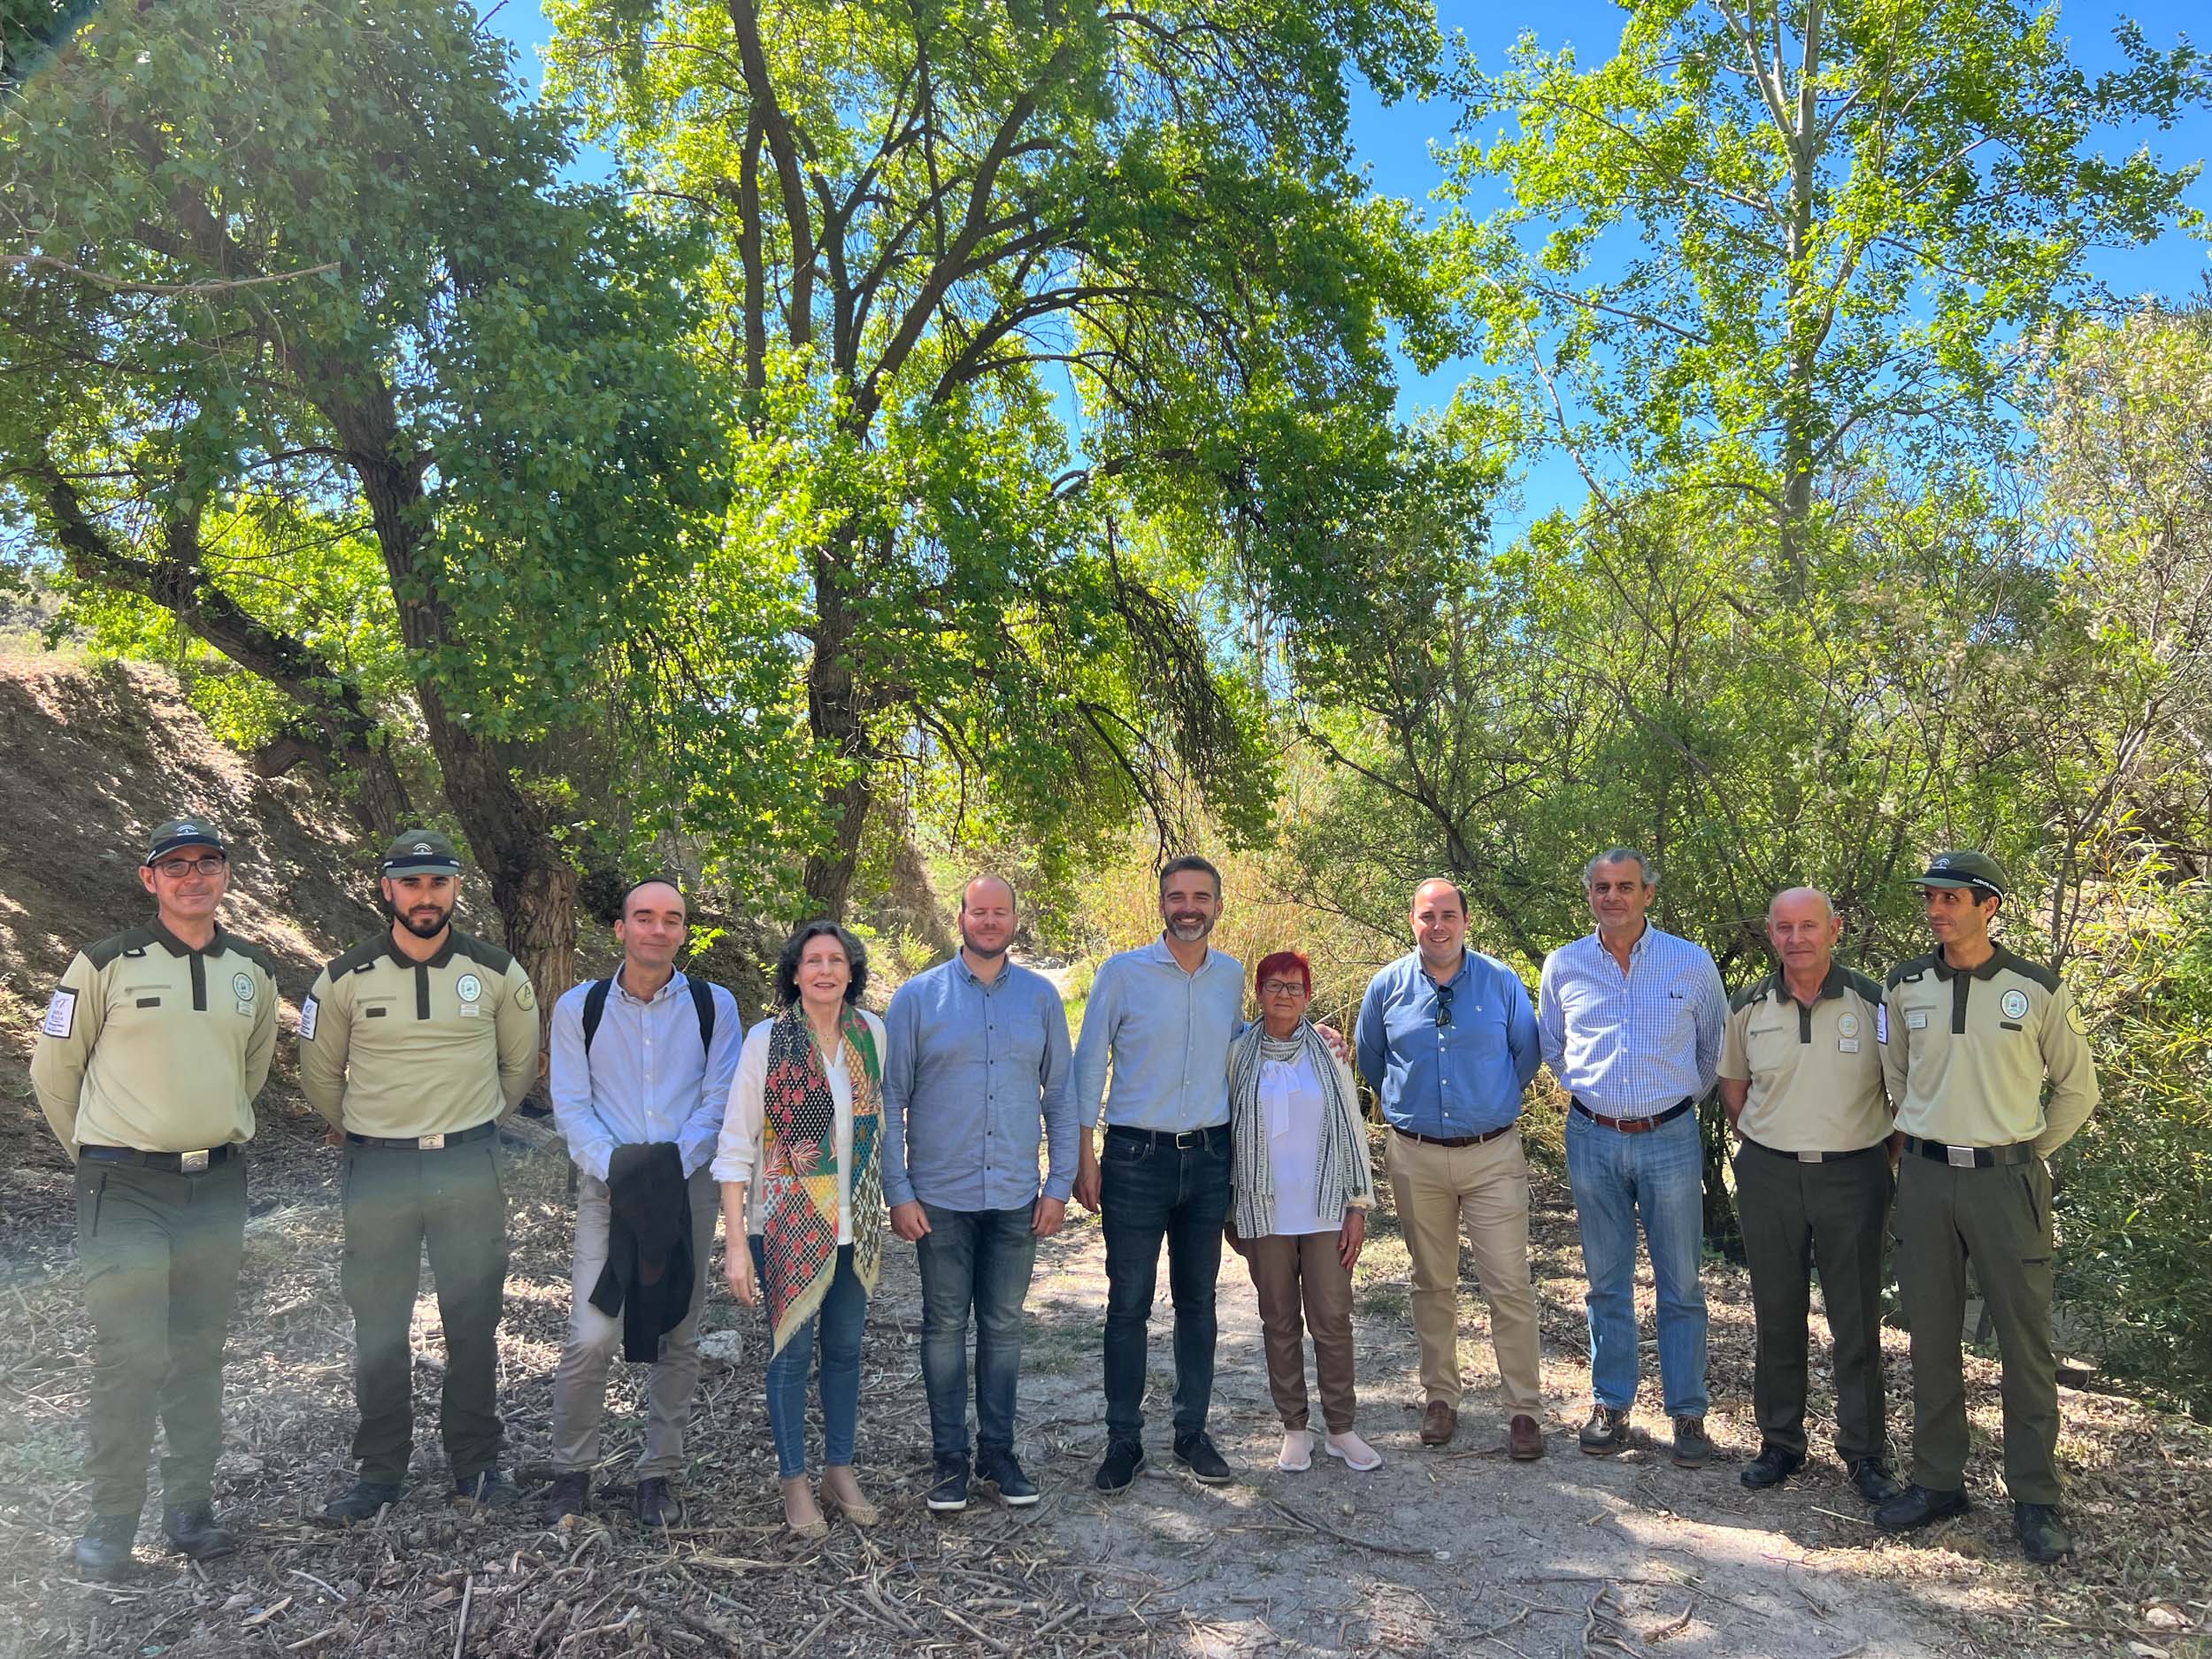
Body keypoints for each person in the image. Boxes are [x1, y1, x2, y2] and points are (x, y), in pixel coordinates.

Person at [30, 818, 279, 1578]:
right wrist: (101, 1154)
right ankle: (109, 1522)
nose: (193, 875)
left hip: (216, 1186)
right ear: (150, 879)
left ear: (226, 874)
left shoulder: (254, 971)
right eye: (175, 865)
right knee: (131, 1352)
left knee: (199, 1350)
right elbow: (53, 1071)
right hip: (124, 1186)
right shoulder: (104, 963)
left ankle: (190, 1510)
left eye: (207, 862)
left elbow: (254, 1069)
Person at [301, 830, 540, 1521]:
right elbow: (319, 1072)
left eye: (438, 882)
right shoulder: (343, 978)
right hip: (378, 1167)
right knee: (378, 1322)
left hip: (467, 1164)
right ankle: (379, 1471)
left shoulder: (499, 972)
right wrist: (367, 1125)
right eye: (411, 883)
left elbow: (517, 1066)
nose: (426, 896)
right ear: (387, 889)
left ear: (455, 887)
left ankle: (477, 1464)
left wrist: (472, 1120)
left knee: (473, 1322)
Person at [1875, 851, 2099, 1564]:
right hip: (1928, 1177)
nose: (1937, 909)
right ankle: (1938, 1480)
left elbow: (2076, 1090)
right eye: (1931, 898)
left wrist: (2028, 1151)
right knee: (1931, 1334)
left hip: (2008, 1182)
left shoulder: (2033, 988)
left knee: (2024, 1344)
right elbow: (1896, 1076)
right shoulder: (1904, 984)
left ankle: (2036, 1497)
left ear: (1989, 906)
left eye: (1951, 898)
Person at [543, 876, 742, 1528]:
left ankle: (659, 1473)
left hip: (686, 1188)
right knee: (591, 1334)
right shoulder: (580, 1007)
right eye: (645, 917)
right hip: (608, 1186)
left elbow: (719, 1102)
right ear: (621, 928)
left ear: (685, 931)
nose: (658, 929)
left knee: (678, 1333)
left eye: (672, 919)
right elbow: (571, 1105)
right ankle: (572, 1469)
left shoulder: (716, 1006)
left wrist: (666, 1169)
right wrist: (622, 1170)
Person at [881, 876, 1075, 1513]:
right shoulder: (918, 998)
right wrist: (898, 1189)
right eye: (979, 911)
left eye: (1000, 912)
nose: (989, 921)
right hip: (939, 1196)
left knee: (1002, 1326)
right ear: (960, 916)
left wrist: (1058, 1183)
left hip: (1017, 1195)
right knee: (943, 1326)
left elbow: (1060, 1097)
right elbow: (890, 1100)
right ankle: (948, 1460)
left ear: (1015, 919)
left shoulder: (1042, 1000)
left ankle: (998, 1454)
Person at [1538, 847, 1726, 1468]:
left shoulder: (1690, 961)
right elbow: (1556, 1049)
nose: (1612, 896)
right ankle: (1612, 1403)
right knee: (1605, 1282)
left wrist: (1664, 1106)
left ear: (1648, 892)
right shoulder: (1564, 965)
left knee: (1682, 1284)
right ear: (1588, 894)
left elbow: (1712, 1053)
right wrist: (1602, 1100)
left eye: (1625, 886)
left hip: (1669, 1137)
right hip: (1592, 1135)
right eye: (1601, 887)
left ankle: (1688, 1414)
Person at [1717, 887, 1905, 1504]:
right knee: (1776, 1312)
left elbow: (1902, 1093)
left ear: (1835, 929)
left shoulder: (1875, 1002)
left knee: (1855, 1316)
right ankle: (1779, 1442)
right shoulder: (1748, 1004)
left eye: (1809, 926)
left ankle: (1864, 1452)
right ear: (1770, 933)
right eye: (1784, 927)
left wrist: (1876, 1156)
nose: (1796, 938)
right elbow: (1735, 1090)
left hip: (1855, 1174)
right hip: (1770, 1174)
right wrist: (1773, 1145)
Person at [1070, 856, 1246, 1491]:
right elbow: (1088, 1064)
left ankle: (1191, 1432)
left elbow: (1246, 1047)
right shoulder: (1121, 973)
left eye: (1201, 895)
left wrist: (1315, 1037)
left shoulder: (1231, 977)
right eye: (1177, 896)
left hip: (1208, 1159)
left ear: (1219, 905)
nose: (1188, 906)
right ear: (1162, 904)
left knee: (1199, 1302)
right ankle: (1124, 1439)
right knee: (1128, 1302)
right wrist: (1081, 1155)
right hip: (1134, 1160)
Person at [1355, 878, 1545, 1459]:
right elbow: (1371, 1058)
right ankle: (1441, 1396)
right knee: (1431, 1281)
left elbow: (1527, 1053)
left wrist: (1487, 1106)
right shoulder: (1386, 987)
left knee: (1508, 1283)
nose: (1437, 925)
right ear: (1411, 920)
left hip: (1492, 1154)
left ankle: (1524, 1410)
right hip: (1415, 1155)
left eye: (1448, 915)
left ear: (1466, 920)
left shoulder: (1501, 982)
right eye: (1426, 915)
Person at [718, 919, 889, 1539]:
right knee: (791, 1358)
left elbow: (875, 1133)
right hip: (786, 1226)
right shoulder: (768, 1041)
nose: (824, 970)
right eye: (812, 960)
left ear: (850, 971)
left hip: (856, 1221)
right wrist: (737, 1241)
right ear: (794, 973)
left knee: (844, 1352)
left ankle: (837, 1469)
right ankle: (794, 1477)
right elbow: (736, 1144)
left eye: (836, 960)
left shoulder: (872, 1035)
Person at [1229, 950, 1379, 1474]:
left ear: (1308, 996)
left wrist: (1358, 1205)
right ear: (1258, 993)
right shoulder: (1238, 1054)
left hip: (1325, 1210)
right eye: (1274, 986)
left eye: (1295, 987)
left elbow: (1354, 1130)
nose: (1284, 996)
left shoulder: (1331, 1054)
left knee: (1333, 1319)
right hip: (1264, 1212)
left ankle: (1341, 1428)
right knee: (1279, 1320)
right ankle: (1295, 1428)